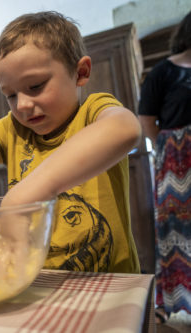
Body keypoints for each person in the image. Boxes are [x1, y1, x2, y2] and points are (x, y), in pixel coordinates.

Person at [0, 11, 142, 274]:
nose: (22, 105)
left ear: (80, 72)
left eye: (35, 86)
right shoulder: (13, 127)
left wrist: (22, 196)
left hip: (107, 286)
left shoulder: (92, 112)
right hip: (36, 281)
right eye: (10, 95)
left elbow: (126, 127)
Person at [138, 11, 191, 323]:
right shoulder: (163, 72)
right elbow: (146, 119)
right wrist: (170, 148)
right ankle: (170, 301)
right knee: (175, 230)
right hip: (177, 161)